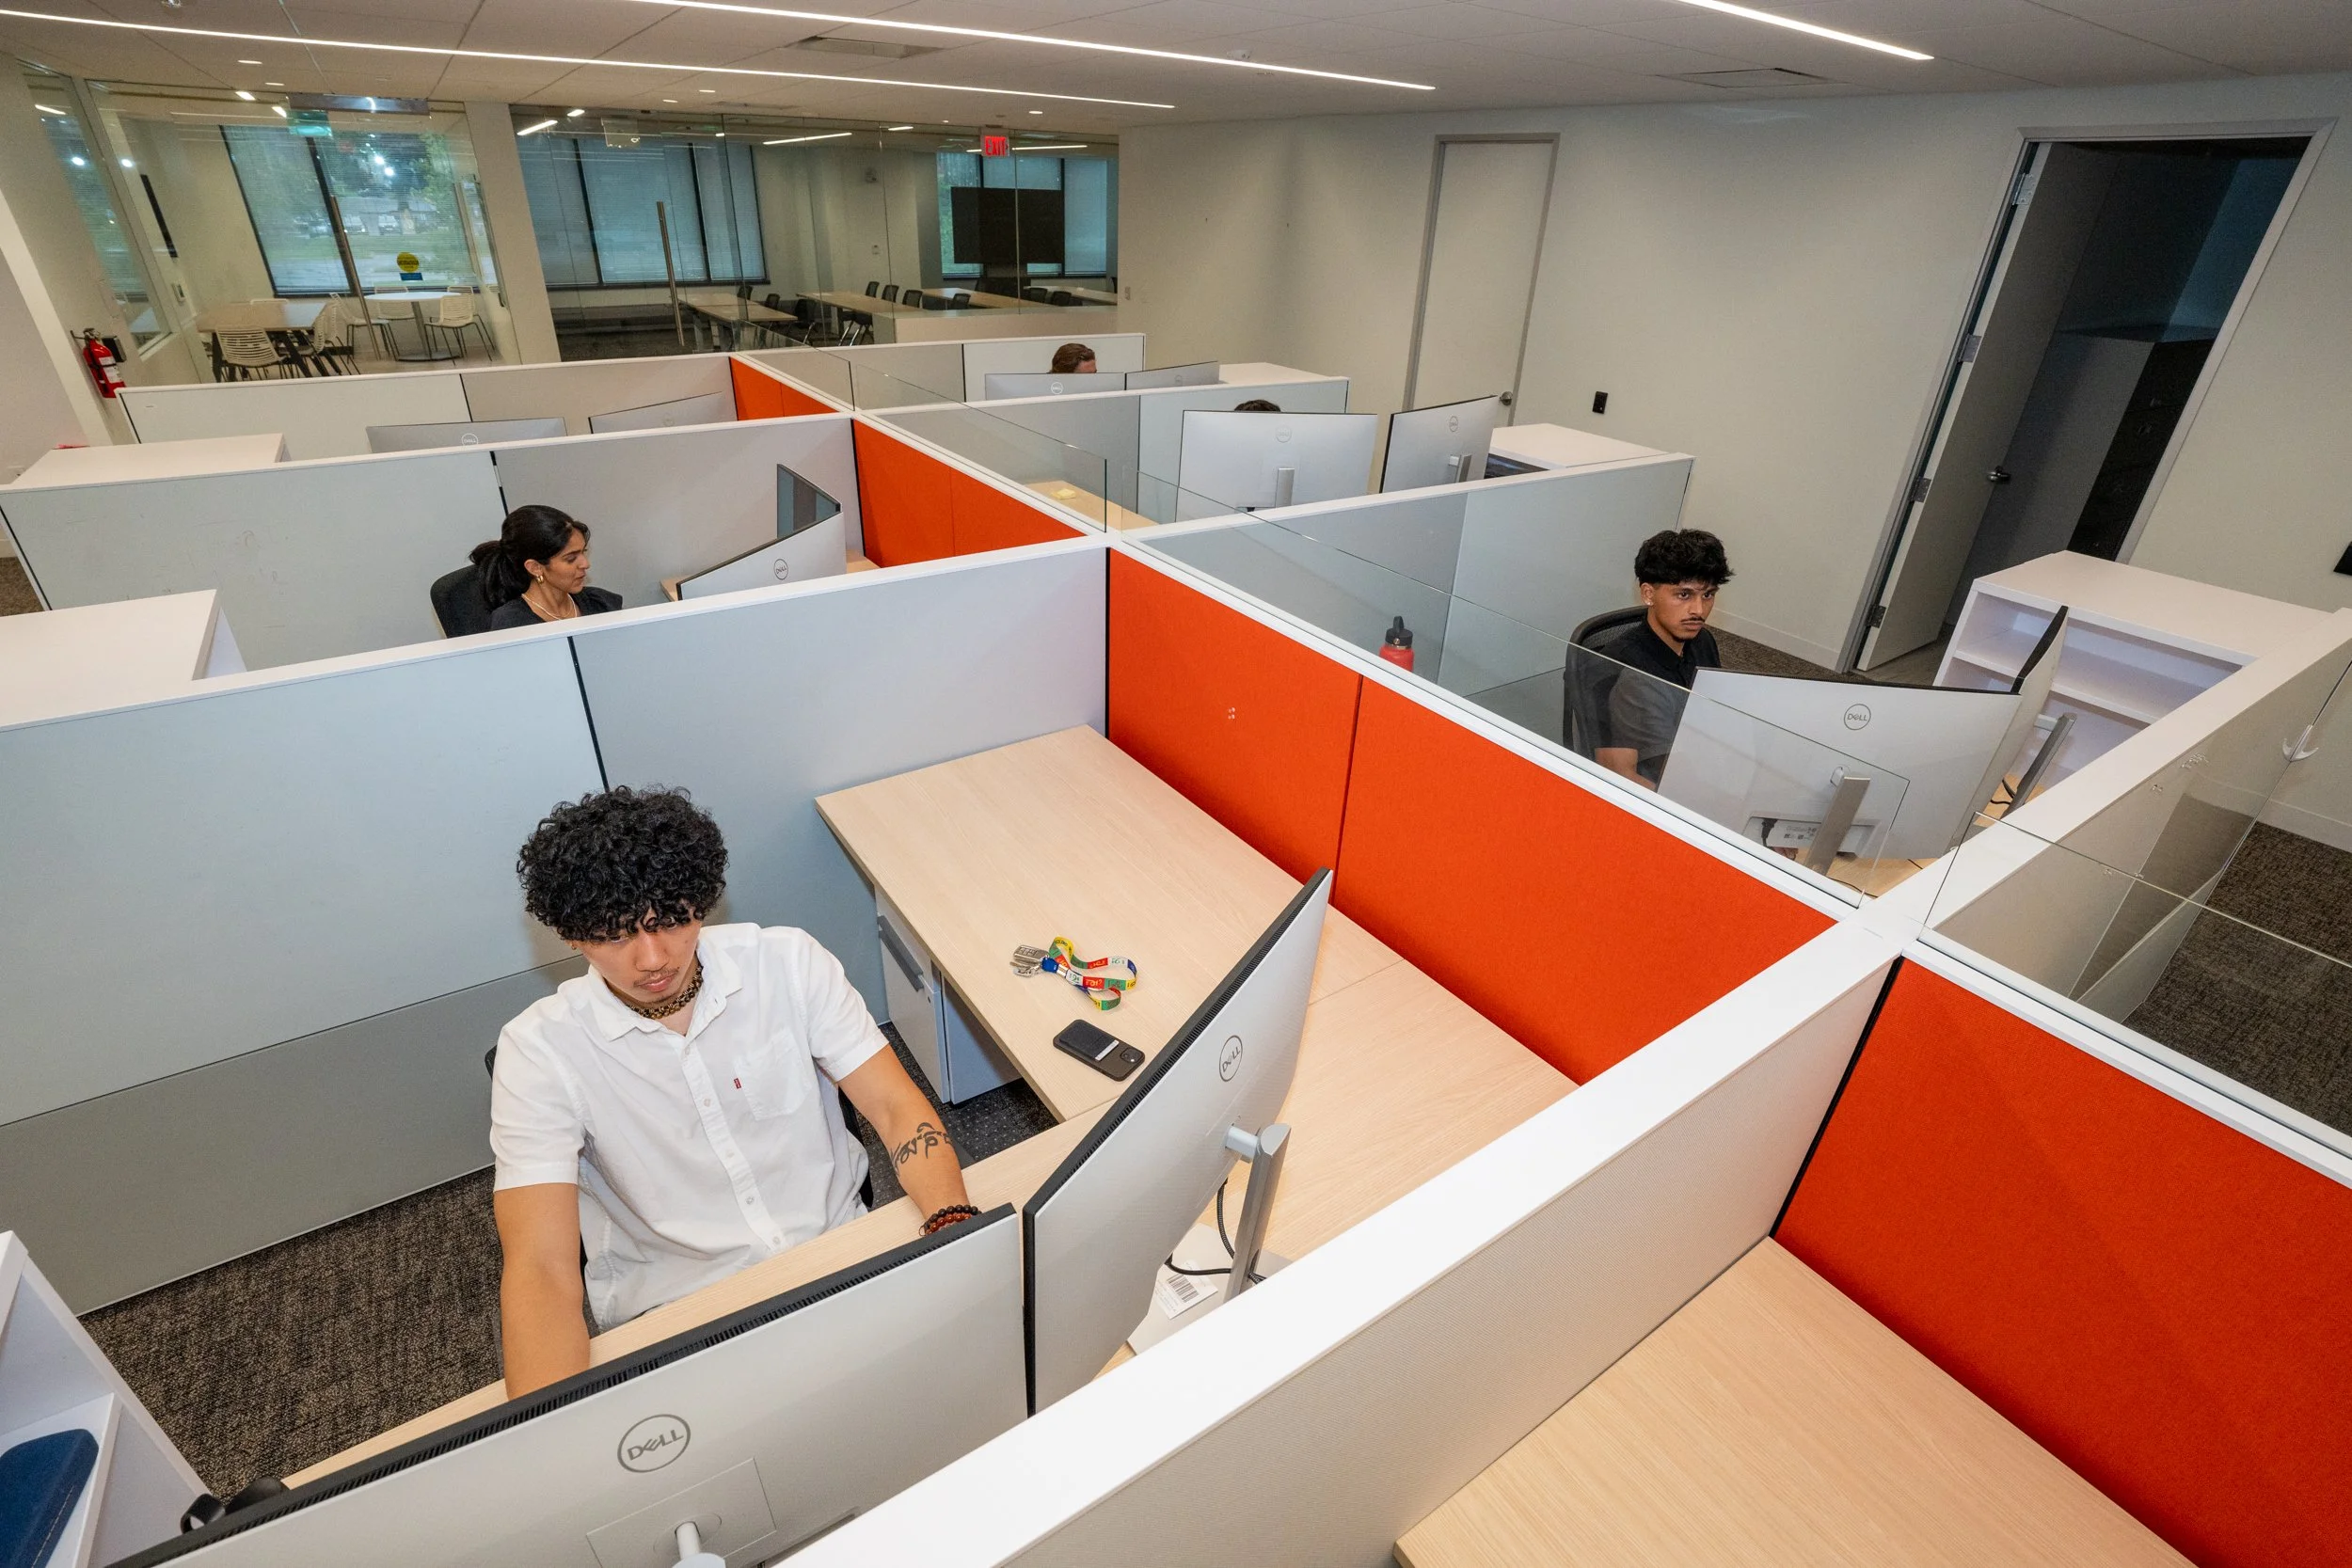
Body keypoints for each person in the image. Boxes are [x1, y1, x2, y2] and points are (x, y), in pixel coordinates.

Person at [488, 786, 974, 1395]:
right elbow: (540, 1266)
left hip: (838, 1253)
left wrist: (954, 1221)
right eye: (615, 935)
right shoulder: (539, 1052)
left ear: (701, 899)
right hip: (683, 1312)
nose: (652, 957)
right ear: (572, 935)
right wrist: (544, 1427)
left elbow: (896, 1109)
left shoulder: (788, 964)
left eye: (671, 920)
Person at [1589, 529, 1733, 789]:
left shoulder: (1703, 641)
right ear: (1648, 594)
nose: (1699, 610)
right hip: (1665, 793)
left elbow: (1716, 716)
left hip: (1701, 764)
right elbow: (1619, 775)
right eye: (1684, 595)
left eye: (1708, 595)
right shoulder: (1620, 669)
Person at [474, 505, 623, 631]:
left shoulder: (601, 604)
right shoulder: (513, 624)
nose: (585, 564)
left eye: (583, 552)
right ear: (535, 568)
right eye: (571, 558)